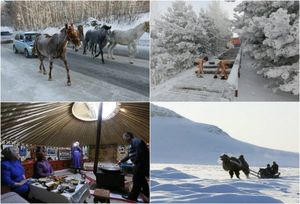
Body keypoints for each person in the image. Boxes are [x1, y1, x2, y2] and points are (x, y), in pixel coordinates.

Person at [119, 132, 149, 202]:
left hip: (140, 164)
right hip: (139, 163)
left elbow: (140, 151)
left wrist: (136, 161)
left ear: (128, 136)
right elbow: (128, 156)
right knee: (142, 180)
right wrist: (121, 161)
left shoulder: (136, 141)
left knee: (136, 180)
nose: (124, 139)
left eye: (124, 137)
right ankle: (146, 193)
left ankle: (132, 197)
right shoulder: (132, 144)